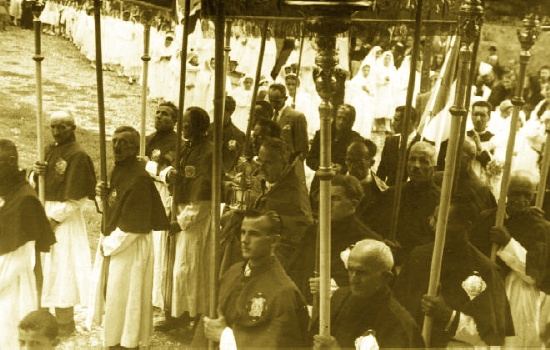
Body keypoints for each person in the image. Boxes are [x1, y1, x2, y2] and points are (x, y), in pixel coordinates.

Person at [87, 126, 170, 348]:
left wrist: (108, 245)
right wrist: (101, 195)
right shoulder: (118, 169)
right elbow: (111, 207)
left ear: (135, 148)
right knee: (115, 297)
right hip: (116, 242)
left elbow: (133, 227)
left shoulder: (139, 179)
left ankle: (127, 343)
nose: (117, 146)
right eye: (114, 141)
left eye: (123, 142)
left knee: (126, 297)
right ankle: (115, 340)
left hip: (129, 245)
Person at [394, 201, 514, 347]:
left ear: (467, 225)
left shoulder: (481, 270)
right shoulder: (418, 256)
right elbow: (396, 309)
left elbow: (490, 333)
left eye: (445, 221)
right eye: (434, 218)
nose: (434, 225)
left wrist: (447, 315)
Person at [203, 210, 310, 348]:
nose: (244, 240)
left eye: (254, 234)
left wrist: (224, 336)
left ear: (274, 241)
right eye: (243, 232)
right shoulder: (232, 273)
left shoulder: (283, 292)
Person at [32, 110, 96, 336]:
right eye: (53, 127)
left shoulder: (78, 155)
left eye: (62, 127)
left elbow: (77, 198)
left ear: (73, 128)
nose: (56, 131)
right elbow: (38, 183)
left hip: (63, 220)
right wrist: (35, 173)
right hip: (44, 211)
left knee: (62, 269)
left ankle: (64, 324)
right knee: (42, 267)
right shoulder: (48, 149)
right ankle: (42, 320)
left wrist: (53, 218)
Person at [469, 171, 550, 346]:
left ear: (534, 195)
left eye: (526, 194)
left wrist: (507, 243)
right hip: (485, 291)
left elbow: (533, 273)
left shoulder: (539, 226)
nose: (521, 199)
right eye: (516, 193)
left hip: (518, 297)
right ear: (505, 192)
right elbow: (471, 257)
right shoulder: (487, 218)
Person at [312, 239, 425, 349]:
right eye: (350, 270)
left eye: (362, 273)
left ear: (386, 278)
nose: (353, 280)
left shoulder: (401, 325)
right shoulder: (339, 297)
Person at [160, 107, 214, 336]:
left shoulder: (208, 153)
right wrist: (169, 175)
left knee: (189, 269)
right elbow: (169, 169)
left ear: (201, 127)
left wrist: (181, 222)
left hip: (194, 219)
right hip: (177, 209)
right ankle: (175, 313)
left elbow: (203, 197)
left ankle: (194, 316)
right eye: (182, 123)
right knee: (173, 268)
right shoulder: (185, 147)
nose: (183, 128)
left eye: (188, 124)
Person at [0, 139, 55, 349]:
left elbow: (20, 258)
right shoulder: (4, 190)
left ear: (11, 162)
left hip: (11, 286)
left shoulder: (25, 200)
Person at [298, 175, 382, 302]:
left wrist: (333, 288)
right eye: (324, 198)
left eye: (335, 199)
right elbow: (295, 269)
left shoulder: (367, 241)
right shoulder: (313, 232)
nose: (326, 204)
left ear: (353, 204)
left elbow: (374, 289)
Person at [366, 141, 440, 257]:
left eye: (423, 161)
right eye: (412, 159)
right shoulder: (393, 193)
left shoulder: (440, 201)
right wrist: (383, 240)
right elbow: (374, 225)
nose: (416, 166)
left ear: (434, 169)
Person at [254, 137, 314, 275]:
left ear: (284, 163)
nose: (261, 168)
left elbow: (297, 236)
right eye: (260, 161)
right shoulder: (275, 180)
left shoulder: (294, 194)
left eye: (268, 163)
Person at [144, 102, 178, 314]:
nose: (159, 116)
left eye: (165, 114)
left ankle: (155, 295)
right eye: (157, 112)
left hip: (160, 193)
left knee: (157, 244)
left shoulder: (176, 144)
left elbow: (168, 172)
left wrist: (147, 165)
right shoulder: (147, 140)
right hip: (145, 192)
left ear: (174, 121)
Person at [307, 104, 363, 215]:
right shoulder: (322, 133)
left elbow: (355, 164)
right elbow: (310, 159)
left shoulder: (355, 139)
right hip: (319, 182)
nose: (341, 122)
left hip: (340, 185)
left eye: (345, 119)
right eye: (339, 117)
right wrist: (323, 165)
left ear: (351, 122)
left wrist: (342, 168)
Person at [345, 138, 388, 223]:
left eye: (359, 162)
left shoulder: (381, 191)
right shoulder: (334, 184)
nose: (352, 166)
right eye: (349, 161)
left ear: (371, 162)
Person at [377, 105, 421, 186]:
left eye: (396, 120)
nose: (393, 123)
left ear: (408, 122)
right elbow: (381, 172)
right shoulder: (390, 142)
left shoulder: (422, 143)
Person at [267, 83, 309, 161]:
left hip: (289, 166)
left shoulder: (296, 117)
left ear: (285, 98)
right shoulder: (269, 115)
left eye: (277, 102)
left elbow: (303, 148)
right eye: (271, 101)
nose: (273, 105)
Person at [207, 96, 245, 175]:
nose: (216, 114)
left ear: (230, 112)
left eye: (220, 111)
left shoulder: (237, 135)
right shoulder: (207, 129)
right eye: (215, 110)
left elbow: (229, 164)